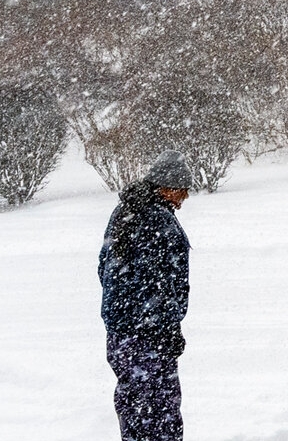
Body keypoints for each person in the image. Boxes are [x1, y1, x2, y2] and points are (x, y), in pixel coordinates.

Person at [99, 150, 193, 441]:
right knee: (159, 414)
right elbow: (160, 284)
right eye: (183, 190)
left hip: (122, 335)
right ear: (167, 187)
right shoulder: (156, 221)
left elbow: (106, 268)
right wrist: (165, 328)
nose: (185, 197)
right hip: (148, 338)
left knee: (135, 409)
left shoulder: (126, 211)